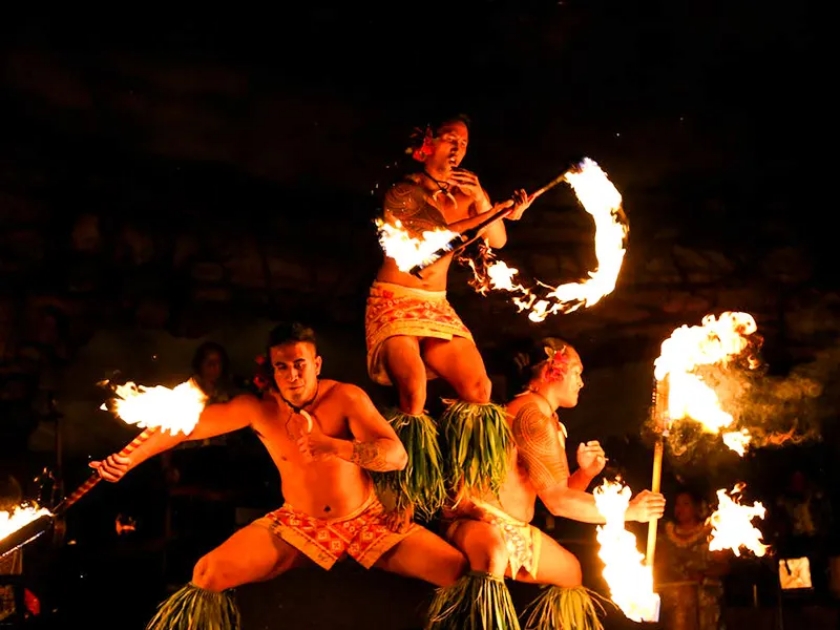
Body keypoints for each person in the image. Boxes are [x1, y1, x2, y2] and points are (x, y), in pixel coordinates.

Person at [91, 322, 468, 630]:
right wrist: (127, 460)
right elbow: (182, 427)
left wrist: (334, 446)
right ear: (271, 370)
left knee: (457, 570)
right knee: (206, 573)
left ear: (317, 364)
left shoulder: (346, 398)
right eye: (282, 367)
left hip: (366, 519)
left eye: (300, 364)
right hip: (298, 524)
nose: (292, 375)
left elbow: (396, 456)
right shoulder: (259, 409)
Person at [428, 338, 667, 630]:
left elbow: (557, 496)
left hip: (511, 528)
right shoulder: (531, 416)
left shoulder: (545, 418)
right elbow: (558, 501)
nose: (581, 382)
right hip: (480, 523)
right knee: (498, 558)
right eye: (577, 372)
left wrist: (586, 473)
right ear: (551, 371)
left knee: (569, 572)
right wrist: (630, 511)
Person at [366, 114, 533, 521]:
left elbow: (498, 240)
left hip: (436, 305)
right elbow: (439, 240)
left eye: (464, 142)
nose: (458, 148)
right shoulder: (402, 191)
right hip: (395, 300)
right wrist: (493, 211)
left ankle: (466, 494)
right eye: (448, 139)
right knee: (414, 391)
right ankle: (403, 497)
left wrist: (488, 203)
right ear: (426, 143)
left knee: (479, 387)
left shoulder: (465, 191)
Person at [656, 488, 728, 630]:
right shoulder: (666, 535)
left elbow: (724, 566)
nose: (680, 508)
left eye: (686, 504)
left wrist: (703, 576)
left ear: (696, 507)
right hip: (675, 603)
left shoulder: (710, 534)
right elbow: (659, 565)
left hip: (705, 602)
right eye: (677, 504)